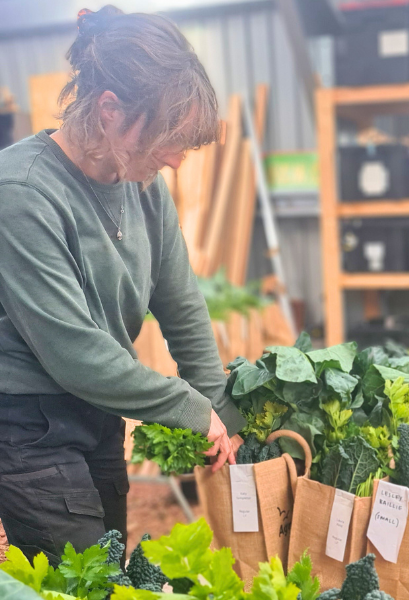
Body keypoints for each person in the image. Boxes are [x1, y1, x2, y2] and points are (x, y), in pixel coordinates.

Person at [0, 6, 245, 563]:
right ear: (109, 110)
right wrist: (185, 405)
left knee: (108, 566)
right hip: (28, 424)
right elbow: (74, 352)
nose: (177, 160)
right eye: (166, 139)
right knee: (81, 578)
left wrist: (222, 410)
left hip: (99, 414)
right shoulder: (22, 191)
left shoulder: (144, 187)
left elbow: (179, 302)